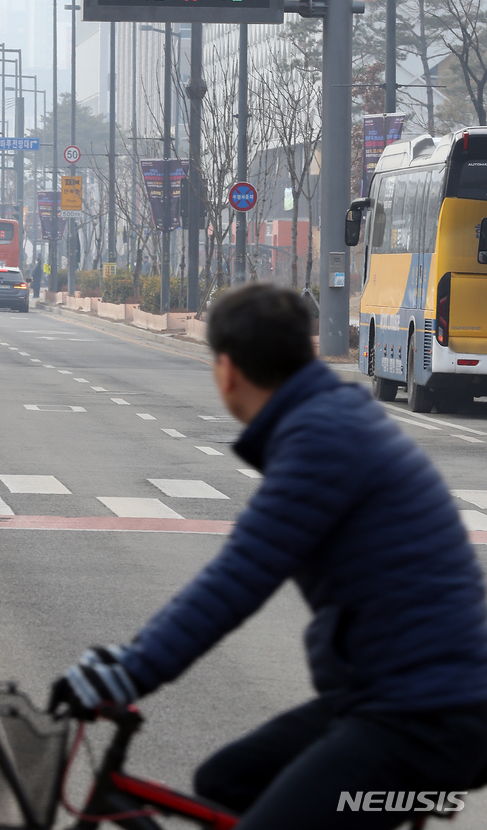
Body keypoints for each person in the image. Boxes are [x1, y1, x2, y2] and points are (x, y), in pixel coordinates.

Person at [51, 283, 487, 830]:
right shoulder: (330, 420)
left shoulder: (323, 440)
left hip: (426, 714)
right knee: (227, 782)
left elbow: (237, 580)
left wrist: (132, 673)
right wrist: (127, 663)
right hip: (388, 694)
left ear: (227, 371)